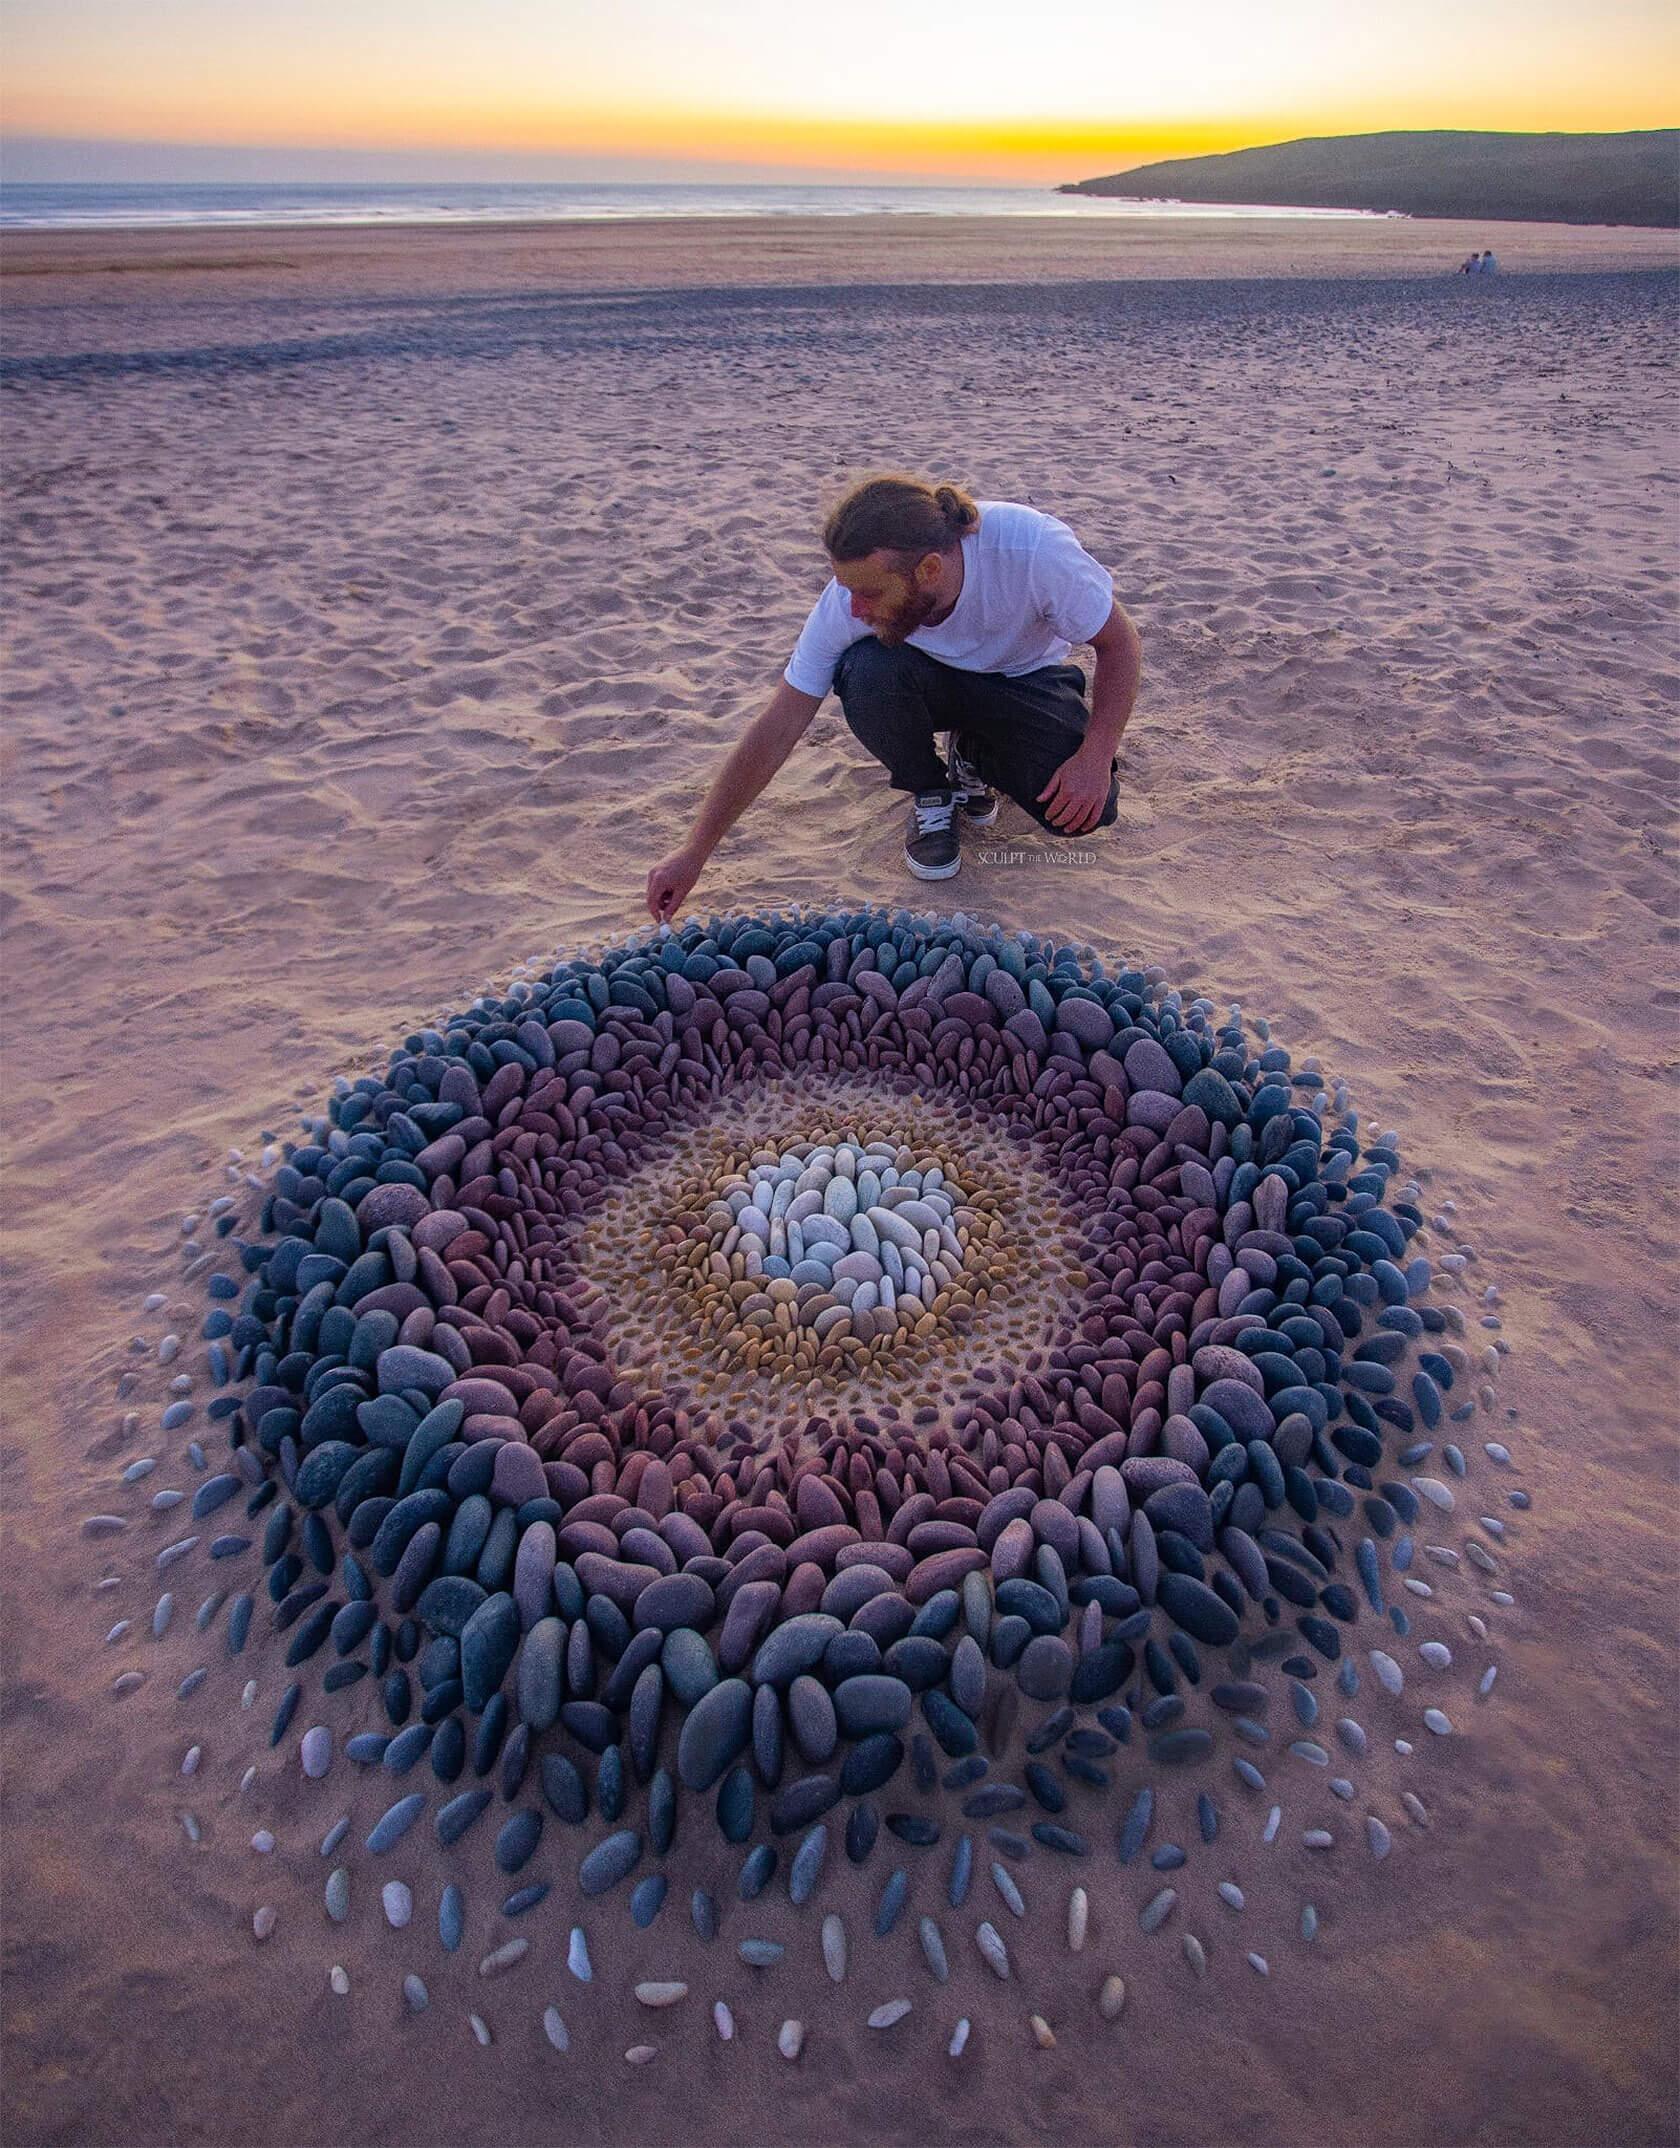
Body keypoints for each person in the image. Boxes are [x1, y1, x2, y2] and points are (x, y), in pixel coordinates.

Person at [645, 474, 1141, 917]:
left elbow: (1120, 643)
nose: (855, 607)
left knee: (1083, 816)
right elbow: (779, 724)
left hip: (1024, 678)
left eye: (870, 593)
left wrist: (1095, 757)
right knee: (865, 670)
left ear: (928, 570)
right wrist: (694, 851)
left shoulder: (1033, 550)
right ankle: (931, 790)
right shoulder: (848, 598)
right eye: (847, 588)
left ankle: (973, 752)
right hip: (923, 680)